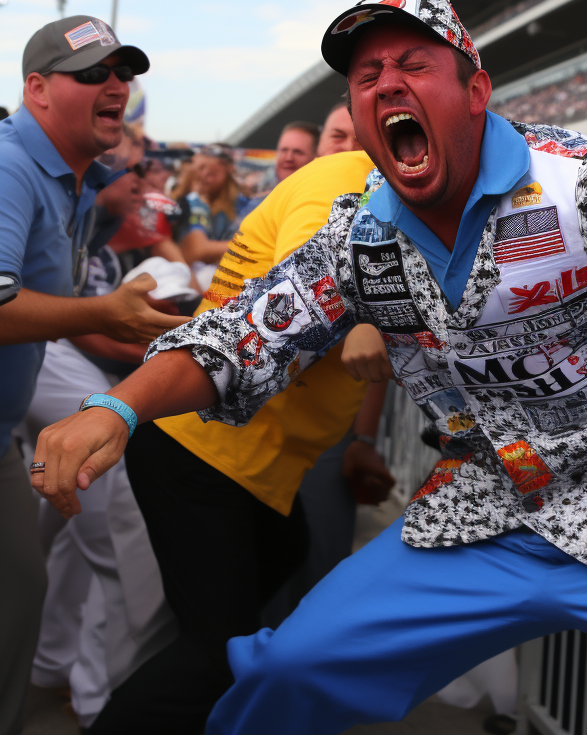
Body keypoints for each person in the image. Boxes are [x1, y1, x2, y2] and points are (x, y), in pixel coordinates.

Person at [33, 0, 587, 735]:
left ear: (476, 91)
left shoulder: (576, 180)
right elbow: (238, 334)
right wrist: (118, 407)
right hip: (486, 517)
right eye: (366, 78)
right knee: (282, 674)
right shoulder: (358, 236)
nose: (387, 84)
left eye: (414, 63)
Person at [87, 145, 393, 735]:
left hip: (244, 461)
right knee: (216, 660)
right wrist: (364, 320)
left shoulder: (402, 200)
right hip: (199, 449)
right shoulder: (342, 179)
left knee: (279, 560)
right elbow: (302, 283)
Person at [0, 15, 180, 735]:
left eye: (122, 72)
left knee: (21, 590)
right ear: (37, 90)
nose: (116, 85)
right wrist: (106, 311)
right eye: (93, 74)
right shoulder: (12, 165)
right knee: (18, 594)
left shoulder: (77, 180)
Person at [178, 146, 252, 270]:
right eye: (200, 170)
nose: (205, 177)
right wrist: (251, 247)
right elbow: (197, 250)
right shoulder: (193, 202)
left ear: (229, 170)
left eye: (212, 173)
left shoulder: (243, 204)